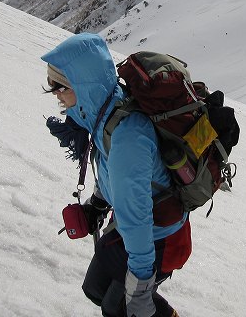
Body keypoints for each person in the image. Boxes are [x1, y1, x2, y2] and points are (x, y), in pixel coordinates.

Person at [42, 33, 191, 317]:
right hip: (131, 227)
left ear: (84, 85)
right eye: (52, 88)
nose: (57, 95)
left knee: (120, 308)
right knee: (95, 289)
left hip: (159, 236)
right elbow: (116, 174)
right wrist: (98, 203)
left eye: (61, 87)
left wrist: (141, 287)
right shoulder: (104, 112)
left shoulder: (127, 138)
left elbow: (137, 217)